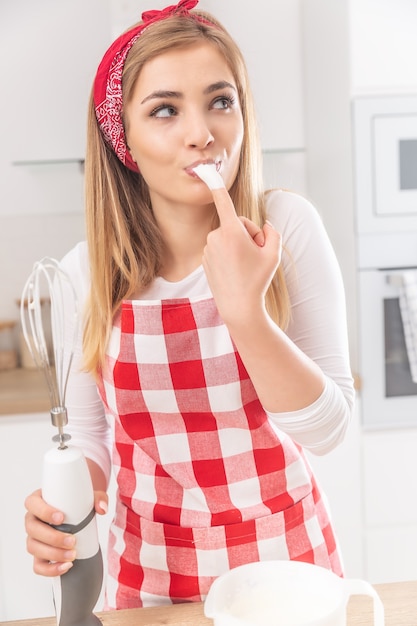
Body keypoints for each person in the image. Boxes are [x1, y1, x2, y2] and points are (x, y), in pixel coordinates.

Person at [24, 0, 355, 611]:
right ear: (124, 140)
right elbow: (95, 435)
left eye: (220, 101)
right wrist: (63, 504)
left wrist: (246, 311)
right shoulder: (87, 274)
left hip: (284, 571)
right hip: (150, 576)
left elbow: (330, 429)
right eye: (165, 110)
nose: (201, 131)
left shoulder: (286, 227)